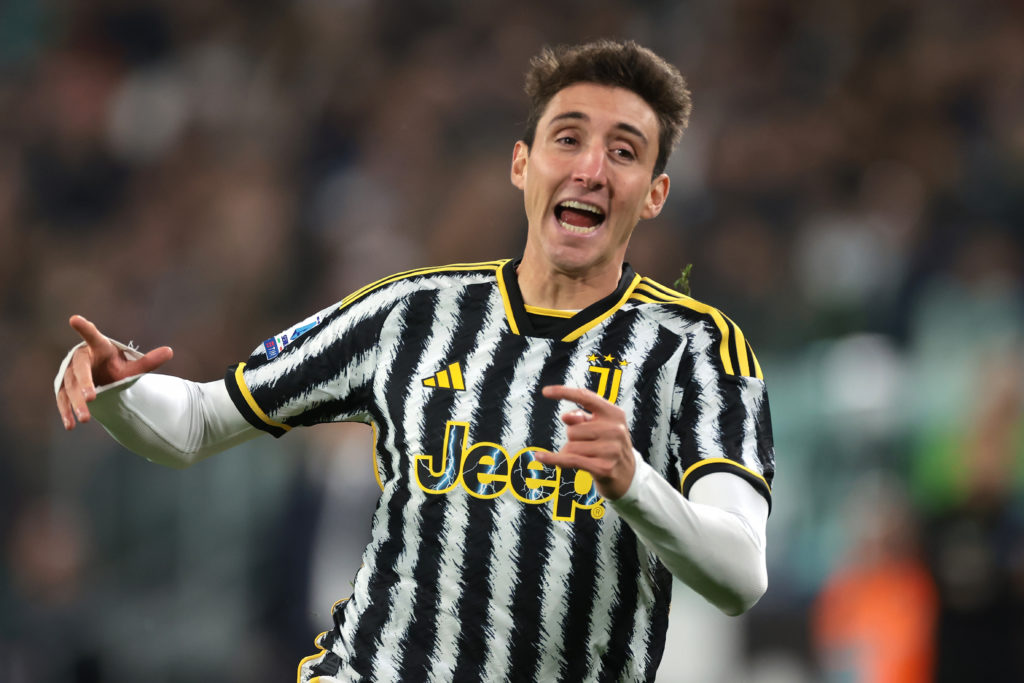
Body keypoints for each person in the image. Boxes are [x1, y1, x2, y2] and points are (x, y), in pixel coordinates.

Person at [54, 39, 775, 682]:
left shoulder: (699, 349)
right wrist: (120, 389)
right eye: (568, 139)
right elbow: (199, 422)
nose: (591, 168)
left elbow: (740, 574)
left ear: (654, 195)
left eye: (624, 151)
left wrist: (633, 481)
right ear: (522, 164)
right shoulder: (409, 313)